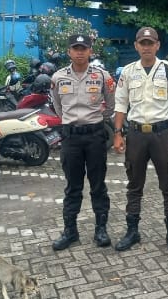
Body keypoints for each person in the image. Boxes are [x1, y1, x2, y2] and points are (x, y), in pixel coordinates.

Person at [112, 26, 168, 253]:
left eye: (150, 43)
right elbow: (120, 103)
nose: (146, 47)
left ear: (157, 45)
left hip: (162, 134)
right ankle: (132, 232)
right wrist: (117, 133)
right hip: (135, 135)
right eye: (142, 43)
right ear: (136, 46)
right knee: (134, 185)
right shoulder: (128, 71)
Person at [50, 34, 116, 250]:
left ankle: (101, 229)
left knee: (98, 185)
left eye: (83, 48)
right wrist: (71, 122)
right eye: (75, 48)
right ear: (68, 51)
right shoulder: (58, 77)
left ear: (90, 51)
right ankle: (70, 231)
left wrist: (96, 119)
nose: (80, 52)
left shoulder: (102, 76)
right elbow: (57, 106)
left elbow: (111, 104)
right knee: (73, 186)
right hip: (71, 138)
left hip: (95, 136)